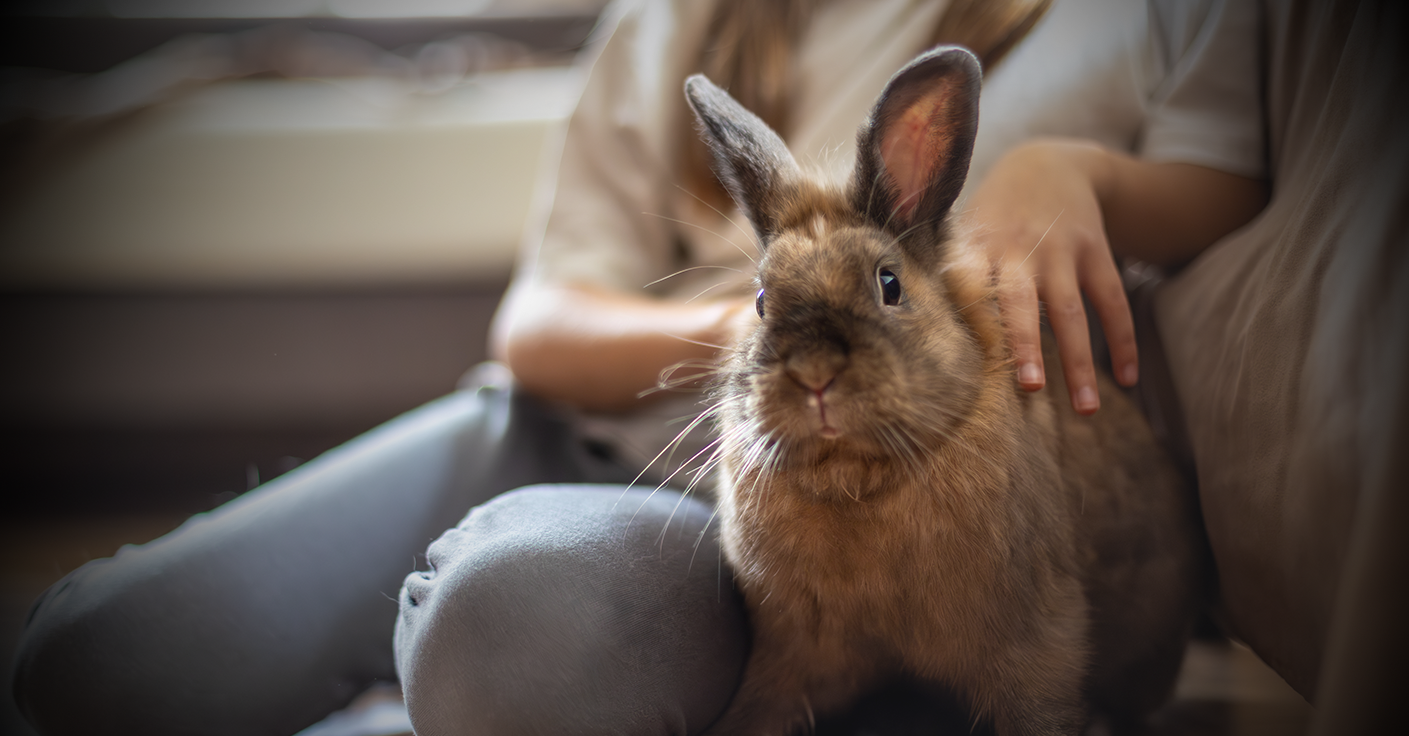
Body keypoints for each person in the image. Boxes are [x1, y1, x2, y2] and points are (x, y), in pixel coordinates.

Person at [11, 1, 1294, 734]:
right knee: (83, 663)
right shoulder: (683, 20)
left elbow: (1228, 173)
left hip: (706, 524)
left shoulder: (1092, 22)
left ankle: (415, 656)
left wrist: (1071, 172)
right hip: (572, 427)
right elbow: (537, 320)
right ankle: (373, 654)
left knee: (498, 632)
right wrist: (768, 349)